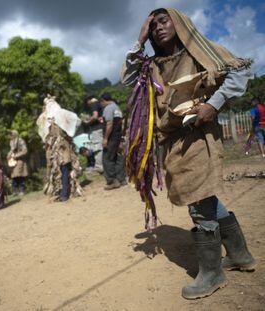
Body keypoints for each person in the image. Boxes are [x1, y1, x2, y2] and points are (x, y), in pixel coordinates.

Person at [120, 8, 255, 299]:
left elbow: (240, 71)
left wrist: (213, 104)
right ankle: (240, 254)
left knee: (197, 199)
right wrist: (138, 41)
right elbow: (128, 81)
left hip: (198, 135)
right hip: (171, 142)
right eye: (152, 24)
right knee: (205, 195)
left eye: (164, 20)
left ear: (179, 22)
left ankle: (211, 272)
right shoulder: (151, 64)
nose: (158, 27)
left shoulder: (200, 51)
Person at [37, 95, 83, 202]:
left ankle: (61, 192)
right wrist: (70, 132)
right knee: (64, 168)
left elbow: (42, 134)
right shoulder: (62, 113)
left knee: (56, 169)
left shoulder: (43, 117)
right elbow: (77, 121)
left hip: (52, 147)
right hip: (62, 145)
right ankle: (63, 193)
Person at [100, 93, 126, 190]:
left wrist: (105, 138)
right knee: (117, 158)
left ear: (103, 100)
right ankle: (122, 179)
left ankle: (112, 181)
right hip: (117, 136)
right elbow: (119, 123)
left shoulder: (108, 108)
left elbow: (109, 123)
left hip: (111, 137)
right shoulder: (117, 108)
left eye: (101, 102)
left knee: (107, 158)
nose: (101, 105)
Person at [83, 96, 104, 172]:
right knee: (100, 146)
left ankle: (99, 167)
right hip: (101, 128)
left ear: (88, 100)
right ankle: (102, 165)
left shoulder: (93, 104)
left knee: (97, 147)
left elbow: (95, 116)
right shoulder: (99, 104)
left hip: (96, 129)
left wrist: (87, 122)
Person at [7, 130, 29, 196]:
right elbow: (11, 150)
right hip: (13, 161)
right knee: (14, 176)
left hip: (20, 160)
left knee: (20, 175)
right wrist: (9, 155)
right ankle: (15, 191)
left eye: (11, 134)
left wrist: (16, 156)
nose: (9, 136)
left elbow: (25, 150)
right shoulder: (11, 142)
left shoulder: (20, 140)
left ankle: (22, 190)